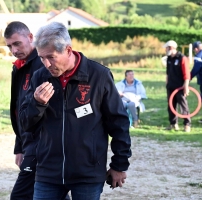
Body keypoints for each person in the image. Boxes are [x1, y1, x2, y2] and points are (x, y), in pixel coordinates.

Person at [19, 22, 132, 200]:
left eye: (51, 57)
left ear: (68, 50)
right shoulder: (39, 77)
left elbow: (119, 123)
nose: (46, 64)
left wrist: (119, 165)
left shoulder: (99, 75)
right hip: (48, 172)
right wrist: (37, 103)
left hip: (87, 173)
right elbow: (25, 123)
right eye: (41, 58)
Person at [4, 21, 43, 200]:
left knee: (20, 196)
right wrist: (19, 147)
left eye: (17, 43)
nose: (13, 50)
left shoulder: (43, 64)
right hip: (28, 144)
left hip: (42, 145)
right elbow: (19, 110)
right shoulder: (19, 66)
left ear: (30, 37)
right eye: (10, 46)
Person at [164, 40, 191, 132]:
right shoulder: (168, 59)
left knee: (183, 105)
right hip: (170, 86)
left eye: (166, 48)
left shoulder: (182, 58)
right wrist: (167, 83)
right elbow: (168, 73)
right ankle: (173, 124)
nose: (165, 50)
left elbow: (186, 74)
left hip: (180, 87)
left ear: (171, 48)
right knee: (171, 106)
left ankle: (187, 124)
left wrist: (186, 87)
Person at [190, 41, 202, 124]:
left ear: (196, 49)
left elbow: (196, 69)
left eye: (194, 50)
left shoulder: (199, 56)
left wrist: (188, 78)